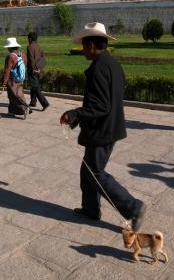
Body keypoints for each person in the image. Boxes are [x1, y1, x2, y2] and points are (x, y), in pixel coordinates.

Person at [60, 22, 146, 231]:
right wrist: (80, 117)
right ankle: (90, 209)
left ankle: (133, 207)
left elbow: (100, 106)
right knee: (87, 170)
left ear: (91, 45)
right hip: (110, 125)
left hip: (103, 129)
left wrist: (74, 114)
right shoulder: (112, 64)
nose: (82, 50)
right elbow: (106, 101)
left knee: (95, 173)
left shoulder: (98, 68)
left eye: (83, 46)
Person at [2, 37, 30, 119]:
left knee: (13, 95)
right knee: (19, 94)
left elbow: (7, 70)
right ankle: (12, 111)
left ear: (9, 48)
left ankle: (24, 108)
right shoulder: (23, 55)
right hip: (20, 78)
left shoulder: (10, 57)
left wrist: (4, 81)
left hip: (12, 80)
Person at [27, 31, 49, 111]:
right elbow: (43, 56)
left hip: (33, 70)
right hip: (38, 69)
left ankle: (45, 103)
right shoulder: (38, 46)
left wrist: (34, 69)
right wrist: (40, 68)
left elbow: (31, 59)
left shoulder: (29, 47)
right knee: (34, 85)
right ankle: (33, 101)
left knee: (35, 87)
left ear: (30, 38)